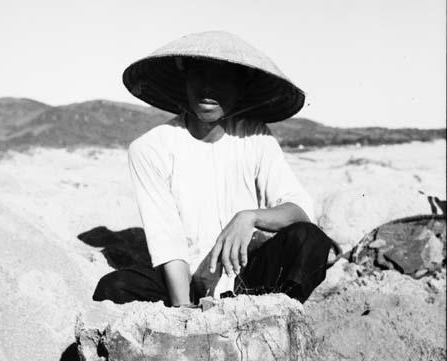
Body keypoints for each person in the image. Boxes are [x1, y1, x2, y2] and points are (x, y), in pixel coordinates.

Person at [93, 30, 335, 307]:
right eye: (199, 76)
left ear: (239, 88)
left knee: (310, 240)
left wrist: (250, 217)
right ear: (185, 81)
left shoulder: (255, 137)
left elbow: (299, 211)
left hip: (246, 283)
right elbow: (168, 243)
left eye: (221, 79)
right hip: (186, 283)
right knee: (116, 286)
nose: (208, 89)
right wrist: (185, 312)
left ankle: (268, 314)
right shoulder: (150, 148)